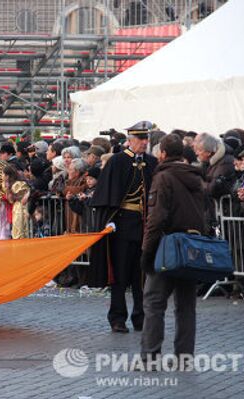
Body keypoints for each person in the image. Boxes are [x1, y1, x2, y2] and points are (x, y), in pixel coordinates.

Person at [140, 134, 206, 368]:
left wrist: (147, 253)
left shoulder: (163, 177)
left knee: (154, 303)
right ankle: (184, 358)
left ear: (163, 154)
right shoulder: (196, 177)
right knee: (186, 306)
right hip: (192, 245)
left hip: (167, 246)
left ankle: (150, 357)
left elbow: (156, 219)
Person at [90, 121, 157, 333]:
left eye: (146, 139)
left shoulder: (152, 162)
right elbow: (105, 193)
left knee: (141, 275)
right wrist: (108, 219)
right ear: (130, 140)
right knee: (119, 274)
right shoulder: (117, 161)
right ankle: (118, 318)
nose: (144, 143)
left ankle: (141, 317)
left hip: (144, 225)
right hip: (121, 223)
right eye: (140, 139)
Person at [3, 165, 30, 239]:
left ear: (7, 175)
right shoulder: (9, 185)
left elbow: (21, 196)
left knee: (20, 230)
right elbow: (11, 200)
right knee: (16, 230)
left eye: (3, 174)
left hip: (21, 209)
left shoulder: (18, 184)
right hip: (16, 208)